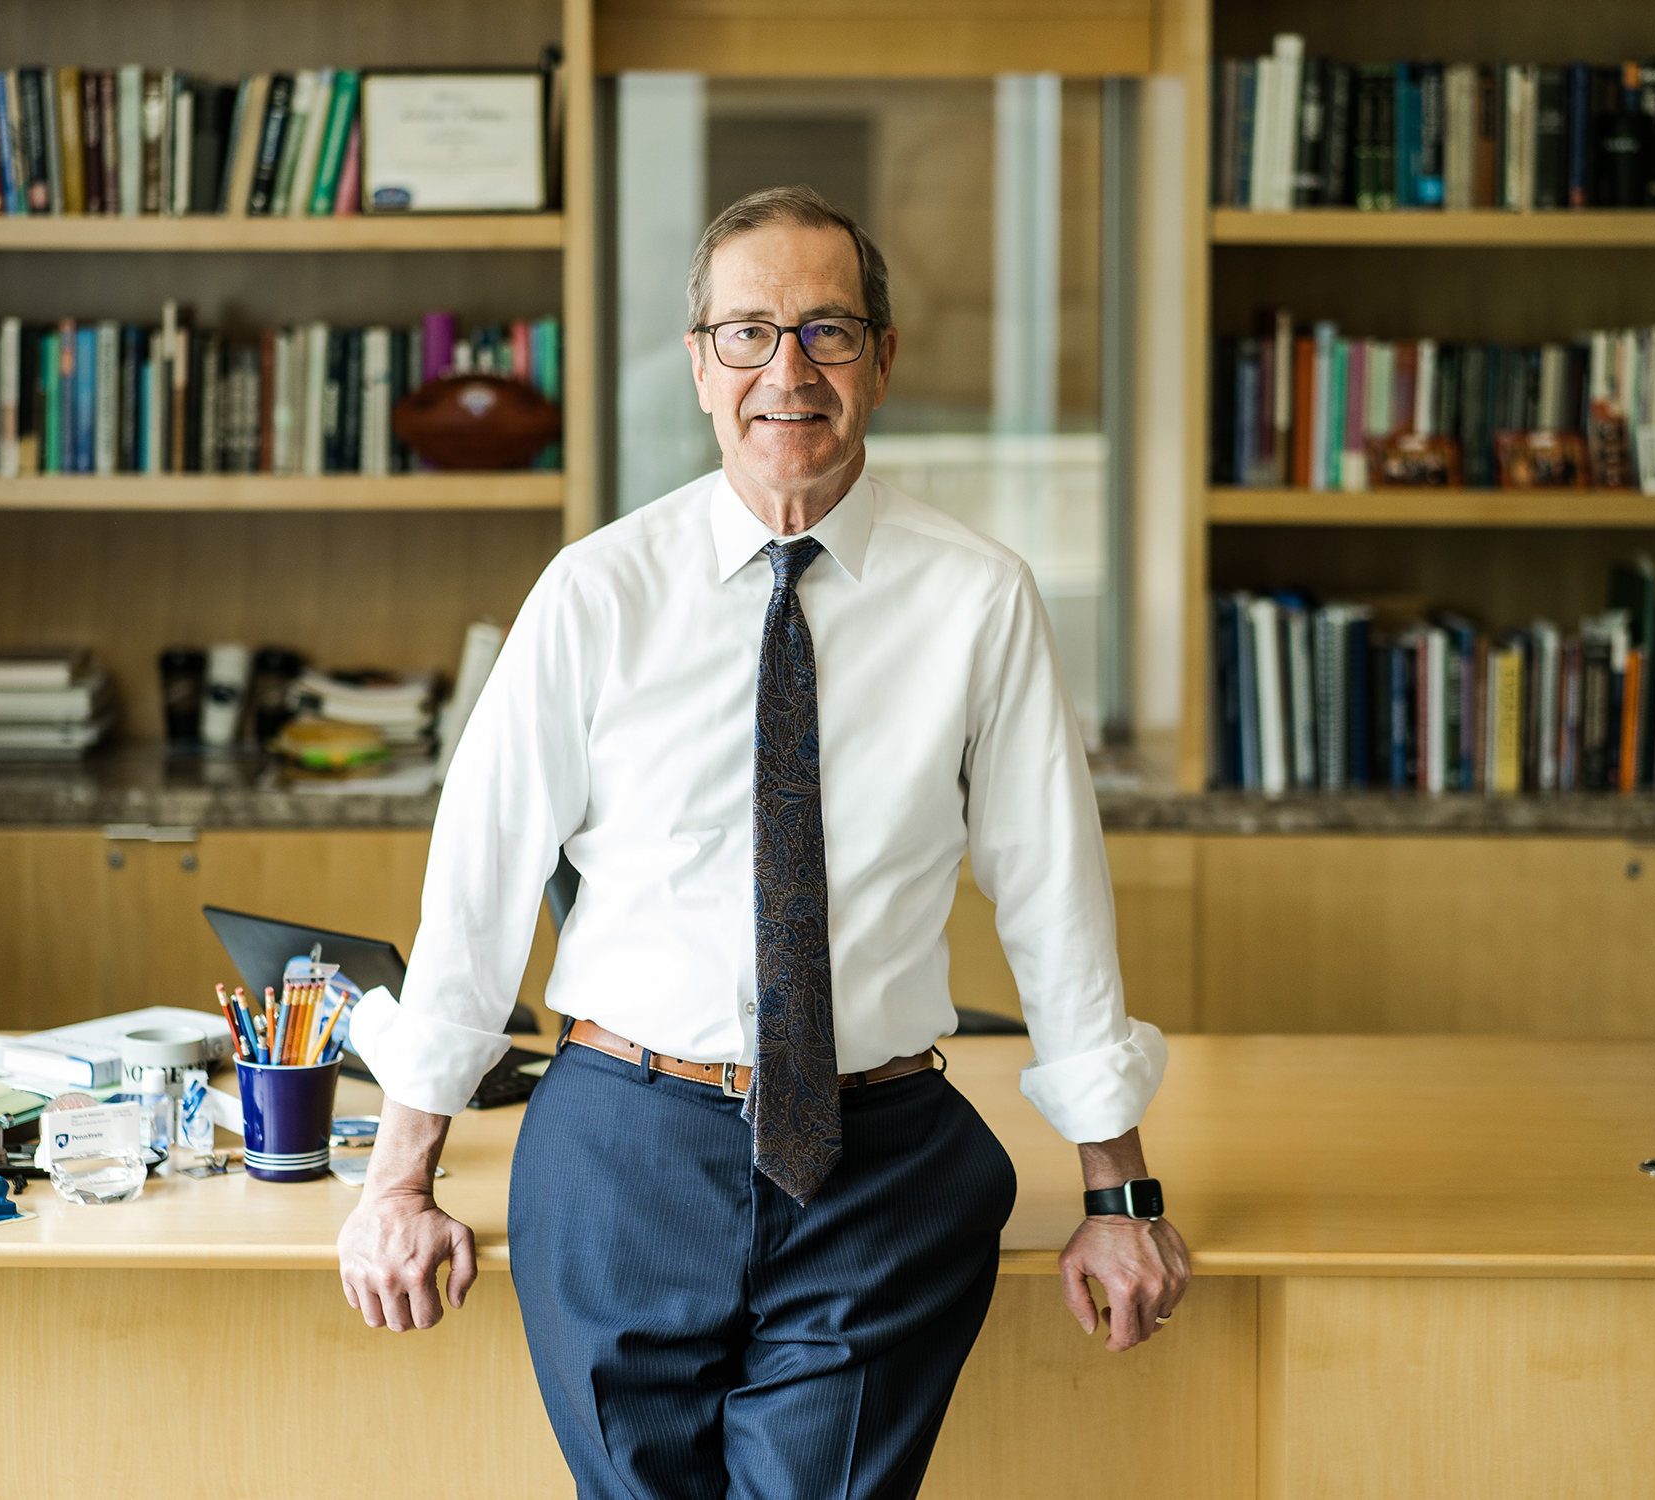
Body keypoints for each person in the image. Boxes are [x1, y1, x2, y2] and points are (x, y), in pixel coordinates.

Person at [337, 184, 1190, 1500]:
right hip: (623, 1151)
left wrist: (1116, 1195)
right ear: (697, 363)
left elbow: (1055, 904)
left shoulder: (978, 598)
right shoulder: (596, 592)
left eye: (828, 331)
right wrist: (400, 1180)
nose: (786, 372)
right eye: (747, 332)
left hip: (880, 1163)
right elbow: (480, 887)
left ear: (884, 357)